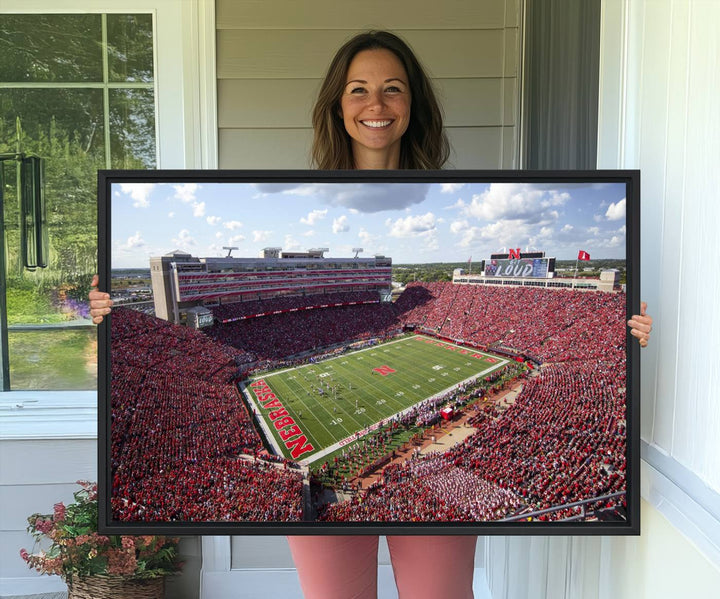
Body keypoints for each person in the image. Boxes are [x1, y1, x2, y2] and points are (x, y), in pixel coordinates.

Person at [89, 30, 652, 599]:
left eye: (393, 89)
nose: (376, 105)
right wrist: (106, 320)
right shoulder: (295, 187)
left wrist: (625, 334)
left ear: (414, 104)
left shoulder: (459, 185)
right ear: (337, 104)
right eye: (358, 89)